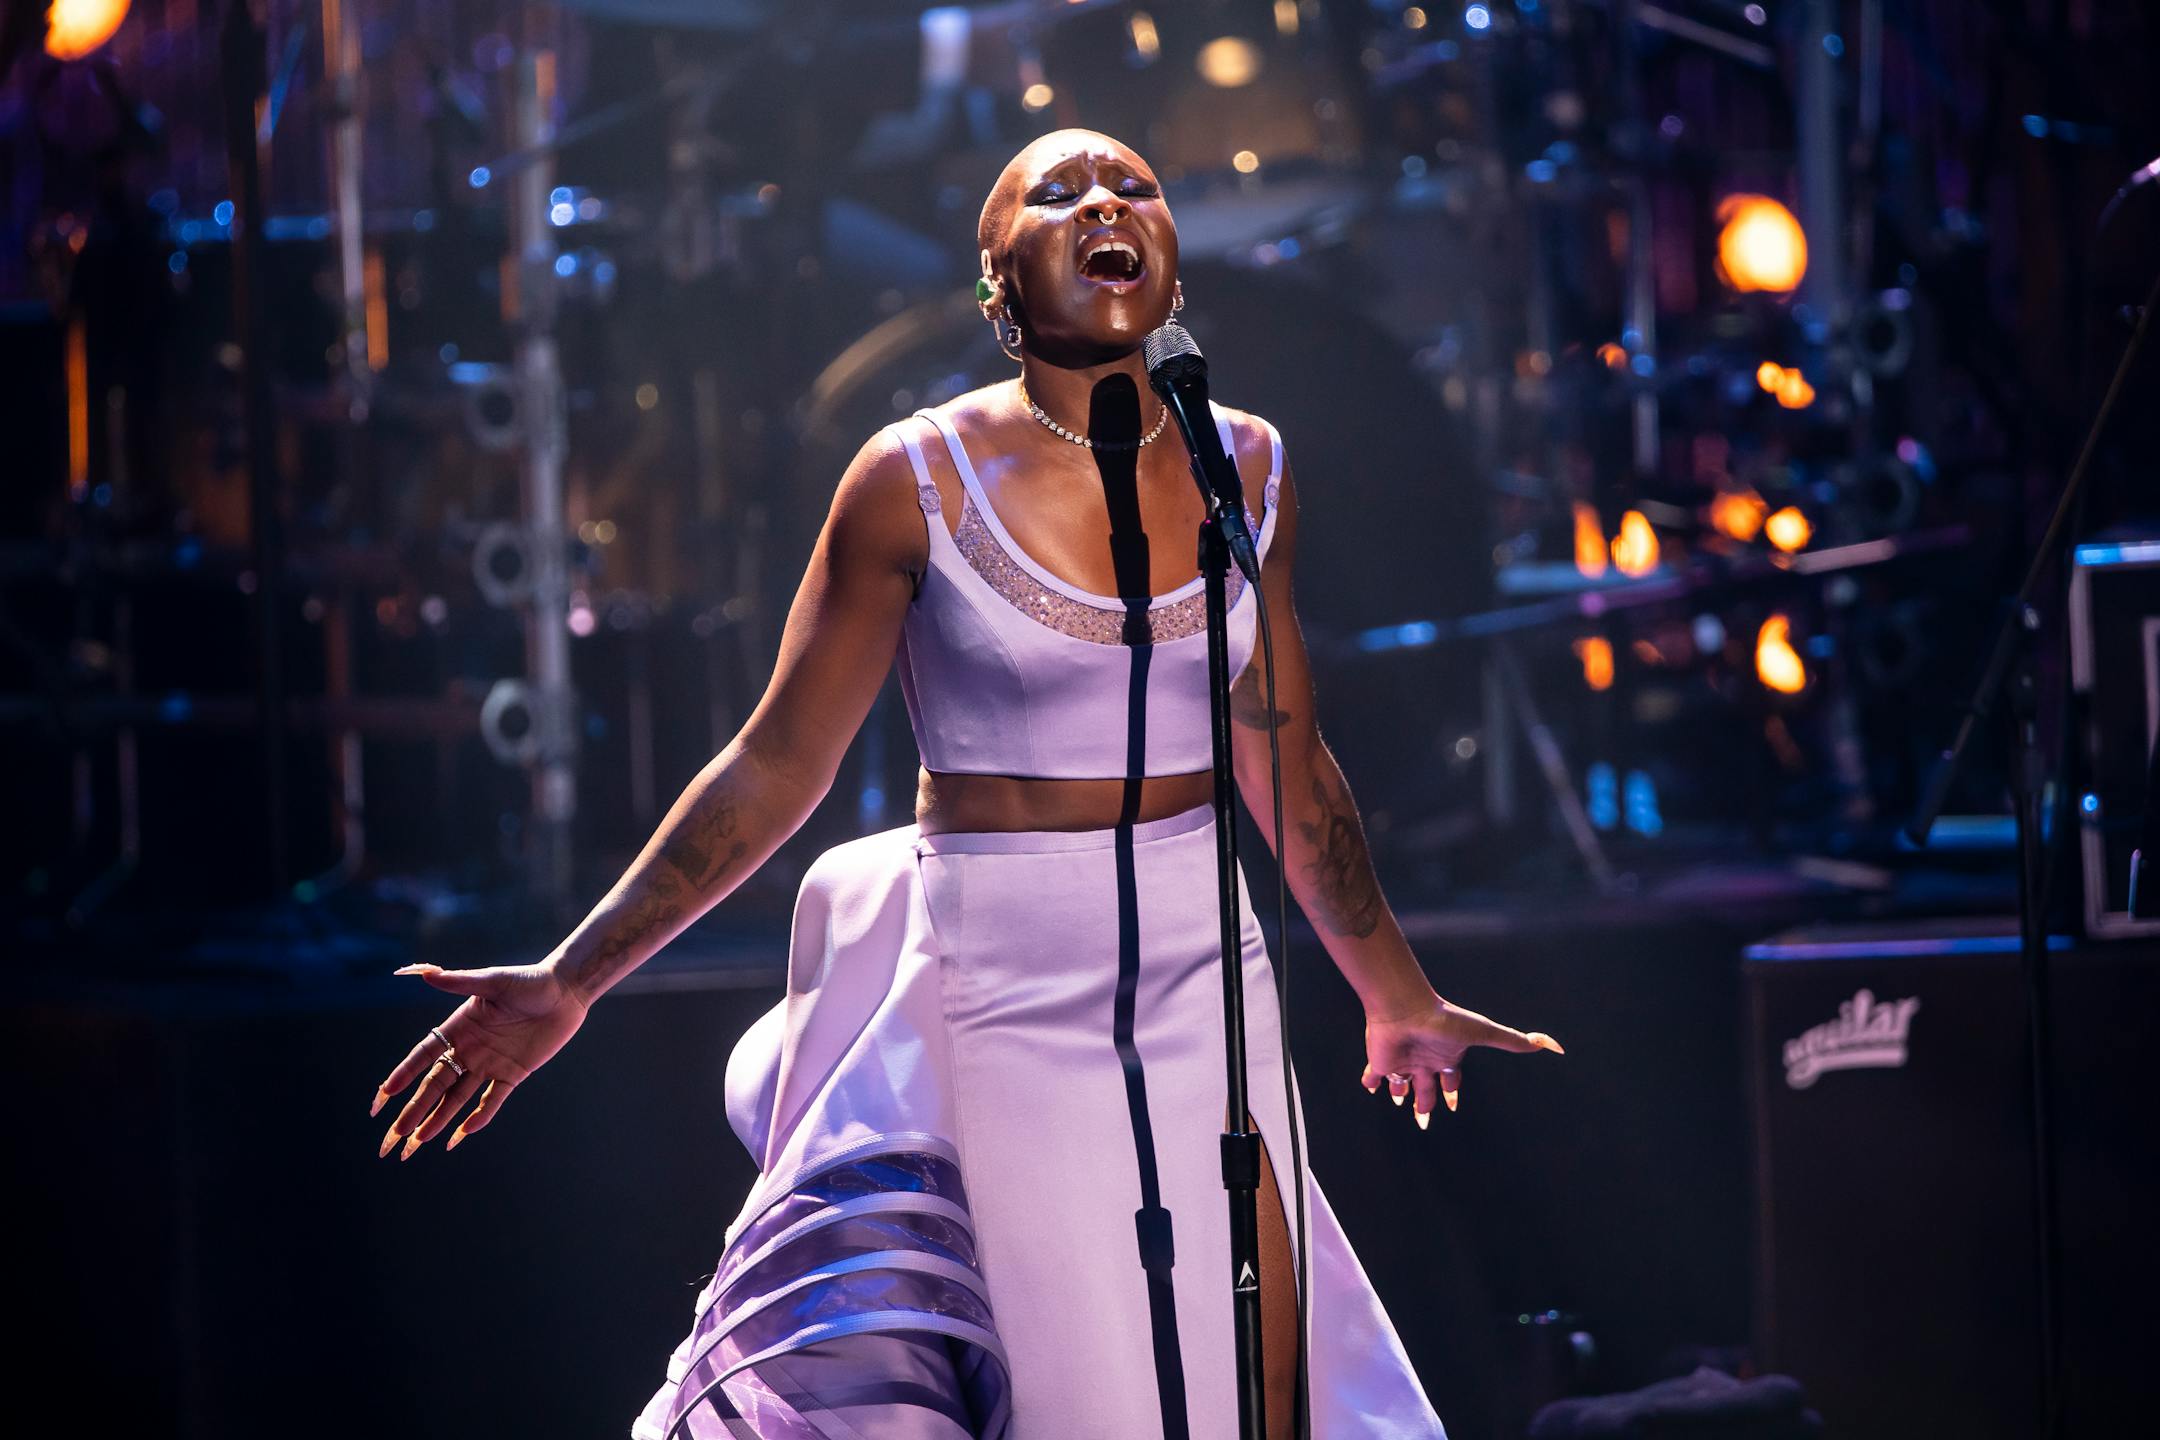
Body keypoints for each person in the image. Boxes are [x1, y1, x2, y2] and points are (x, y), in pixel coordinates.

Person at [369, 129, 1562, 1440]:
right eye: (1059, 192)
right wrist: (571, 977)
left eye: (1135, 187)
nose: (1107, 199)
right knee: (1077, 1392)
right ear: (999, 289)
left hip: (1200, 967)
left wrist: (1394, 992)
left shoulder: (1251, 466)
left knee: (1247, 1396)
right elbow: (777, 760)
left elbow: (1280, 742)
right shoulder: (911, 479)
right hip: (997, 978)